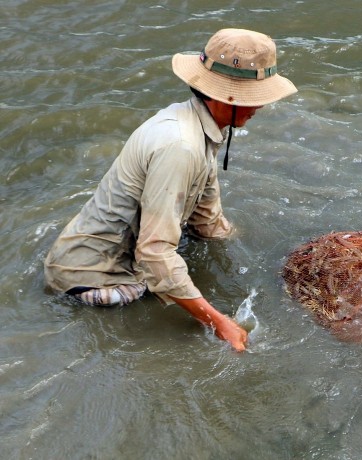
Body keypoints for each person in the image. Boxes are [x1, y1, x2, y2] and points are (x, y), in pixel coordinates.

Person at [44, 28, 297, 351]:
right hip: (91, 279)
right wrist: (219, 322)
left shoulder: (197, 125)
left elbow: (207, 220)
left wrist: (262, 251)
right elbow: (154, 253)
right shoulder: (181, 147)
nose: (260, 107)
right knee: (174, 339)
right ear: (227, 96)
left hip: (105, 254)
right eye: (255, 97)